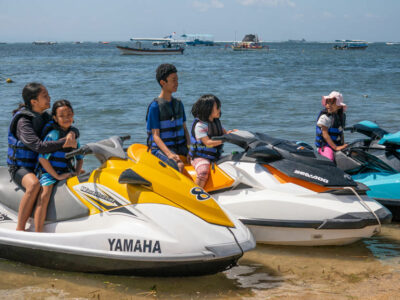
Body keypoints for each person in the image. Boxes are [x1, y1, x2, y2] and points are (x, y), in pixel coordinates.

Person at [7, 82, 77, 231]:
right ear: (34, 102)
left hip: (39, 166)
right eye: (45, 96)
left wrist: (73, 133)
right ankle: (20, 229)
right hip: (20, 167)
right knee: (33, 185)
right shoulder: (23, 121)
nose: (49, 97)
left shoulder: (43, 117)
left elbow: (65, 125)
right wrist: (65, 141)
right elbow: (38, 146)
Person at [35, 100, 83, 232]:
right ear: (55, 118)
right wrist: (56, 176)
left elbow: (79, 158)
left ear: (73, 115)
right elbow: (42, 159)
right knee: (44, 196)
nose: (66, 118)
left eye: (69, 114)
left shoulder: (74, 137)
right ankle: (38, 232)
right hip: (49, 173)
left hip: (67, 171)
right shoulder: (52, 136)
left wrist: (77, 172)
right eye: (62, 116)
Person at [146, 64, 190, 172]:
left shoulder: (179, 104)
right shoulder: (155, 107)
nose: (177, 83)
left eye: (177, 80)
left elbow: (185, 129)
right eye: (173, 80)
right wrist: (169, 154)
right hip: (161, 149)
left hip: (180, 147)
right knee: (179, 166)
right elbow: (155, 136)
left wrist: (190, 150)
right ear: (163, 82)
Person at [189, 94, 231, 188]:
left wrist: (233, 134)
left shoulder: (216, 123)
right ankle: (195, 194)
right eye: (217, 108)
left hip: (214, 156)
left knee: (232, 160)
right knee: (203, 171)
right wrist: (225, 139)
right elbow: (207, 143)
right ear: (208, 110)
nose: (220, 110)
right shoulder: (200, 126)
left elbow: (226, 134)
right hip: (200, 157)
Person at [315, 91, 348, 161]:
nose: (328, 105)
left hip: (336, 144)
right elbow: (325, 134)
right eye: (327, 103)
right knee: (329, 158)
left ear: (339, 106)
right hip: (324, 146)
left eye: (332, 103)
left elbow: (341, 133)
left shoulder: (340, 117)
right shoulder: (325, 117)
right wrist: (335, 148)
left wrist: (343, 144)